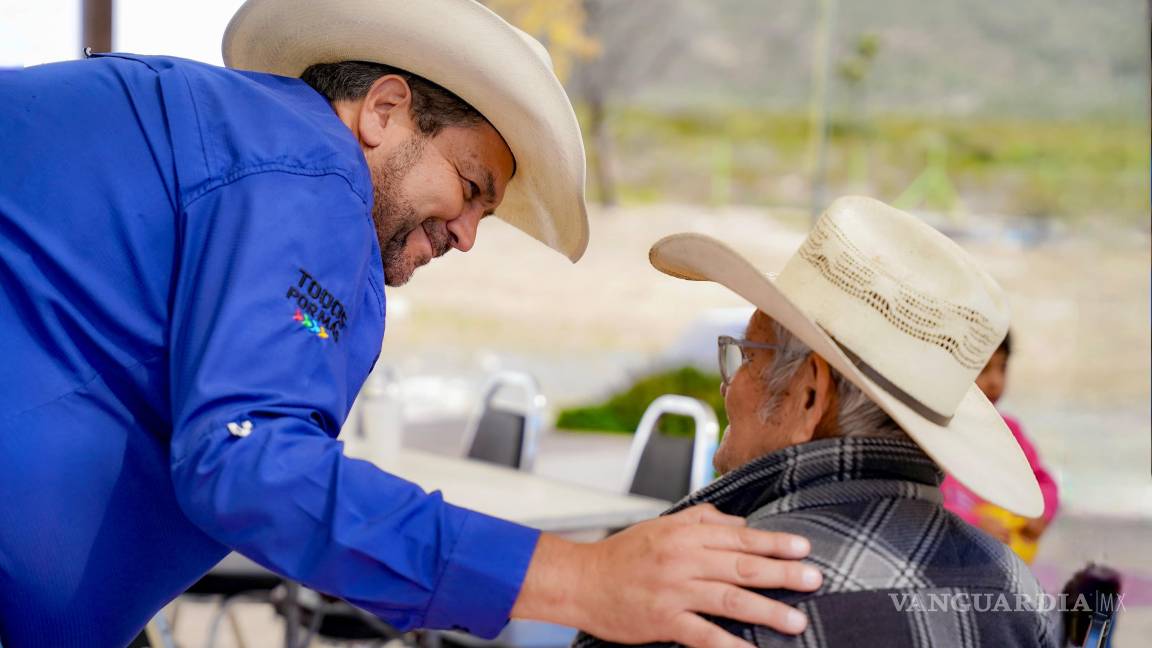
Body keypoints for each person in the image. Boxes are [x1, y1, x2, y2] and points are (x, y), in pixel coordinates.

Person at [0, 1, 823, 646]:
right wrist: (584, 578)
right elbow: (249, 462)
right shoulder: (312, 166)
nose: (467, 236)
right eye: (471, 188)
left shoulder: (235, 138)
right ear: (385, 111)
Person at [574, 196, 1058, 647]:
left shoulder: (692, 599)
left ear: (808, 394)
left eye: (748, 356)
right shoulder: (1020, 595)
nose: (729, 384)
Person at [941, 332, 1061, 563]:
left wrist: (1040, 512)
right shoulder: (933, 434)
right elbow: (922, 508)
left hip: (1003, 567)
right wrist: (971, 525)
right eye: (983, 369)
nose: (996, 381)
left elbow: (1043, 482)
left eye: (1002, 368)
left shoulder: (1010, 432)